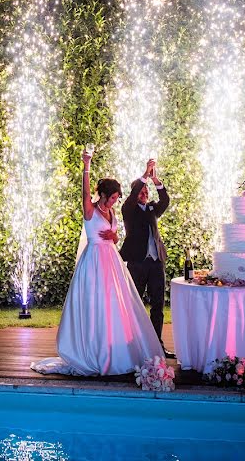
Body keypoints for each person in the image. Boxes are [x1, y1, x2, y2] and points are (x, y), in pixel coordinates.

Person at [31, 150, 164, 376]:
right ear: (103, 194)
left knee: (116, 305)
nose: (114, 202)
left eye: (116, 199)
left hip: (112, 262)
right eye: (112, 197)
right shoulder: (90, 210)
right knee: (96, 304)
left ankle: (117, 348)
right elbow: (84, 192)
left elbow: (114, 235)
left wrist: (115, 237)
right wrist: (87, 165)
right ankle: (94, 349)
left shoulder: (111, 212)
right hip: (93, 262)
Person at [120, 159, 174, 358]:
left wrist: (156, 180)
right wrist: (144, 174)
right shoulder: (128, 209)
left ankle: (157, 345)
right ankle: (134, 343)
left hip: (156, 263)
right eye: (141, 192)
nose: (144, 194)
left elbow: (165, 201)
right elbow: (134, 195)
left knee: (158, 305)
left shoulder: (152, 209)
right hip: (137, 262)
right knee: (135, 304)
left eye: (146, 191)